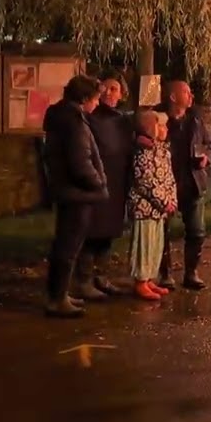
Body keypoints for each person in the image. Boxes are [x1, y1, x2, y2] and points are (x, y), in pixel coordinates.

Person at [42, 75, 108, 318]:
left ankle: (59, 294)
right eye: (96, 98)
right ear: (84, 98)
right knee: (68, 247)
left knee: (66, 245)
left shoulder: (62, 117)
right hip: (76, 193)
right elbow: (80, 161)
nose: (98, 104)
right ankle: (57, 299)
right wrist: (98, 182)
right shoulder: (73, 122)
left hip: (69, 191)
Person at [79, 75, 134, 300]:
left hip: (117, 180)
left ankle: (102, 276)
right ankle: (83, 280)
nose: (110, 93)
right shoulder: (90, 117)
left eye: (115, 89)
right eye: (107, 89)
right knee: (92, 230)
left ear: (122, 94)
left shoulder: (122, 120)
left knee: (109, 232)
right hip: (97, 180)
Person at [157, 80, 211, 290]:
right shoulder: (159, 120)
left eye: (191, 92)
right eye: (186, 92)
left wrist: (206, 158)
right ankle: (165, 274)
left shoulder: (195, 120)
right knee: (162, 232)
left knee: (197, 231)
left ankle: (191, 272)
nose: (191, 96)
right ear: (173, 97)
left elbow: (208, 145)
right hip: (166, 183)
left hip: (193, 182)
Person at [129, 111, 177, 301]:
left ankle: (149, 278)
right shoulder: (143, 153)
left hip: (159, 210)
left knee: (156, 244)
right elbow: (145, 182)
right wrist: (164, 201)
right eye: (161, 126)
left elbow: (169, 178)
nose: (165, 129)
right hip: (145, 208)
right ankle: (140, 280)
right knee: (144, 243)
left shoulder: (163, 151)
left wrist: (171, 199)